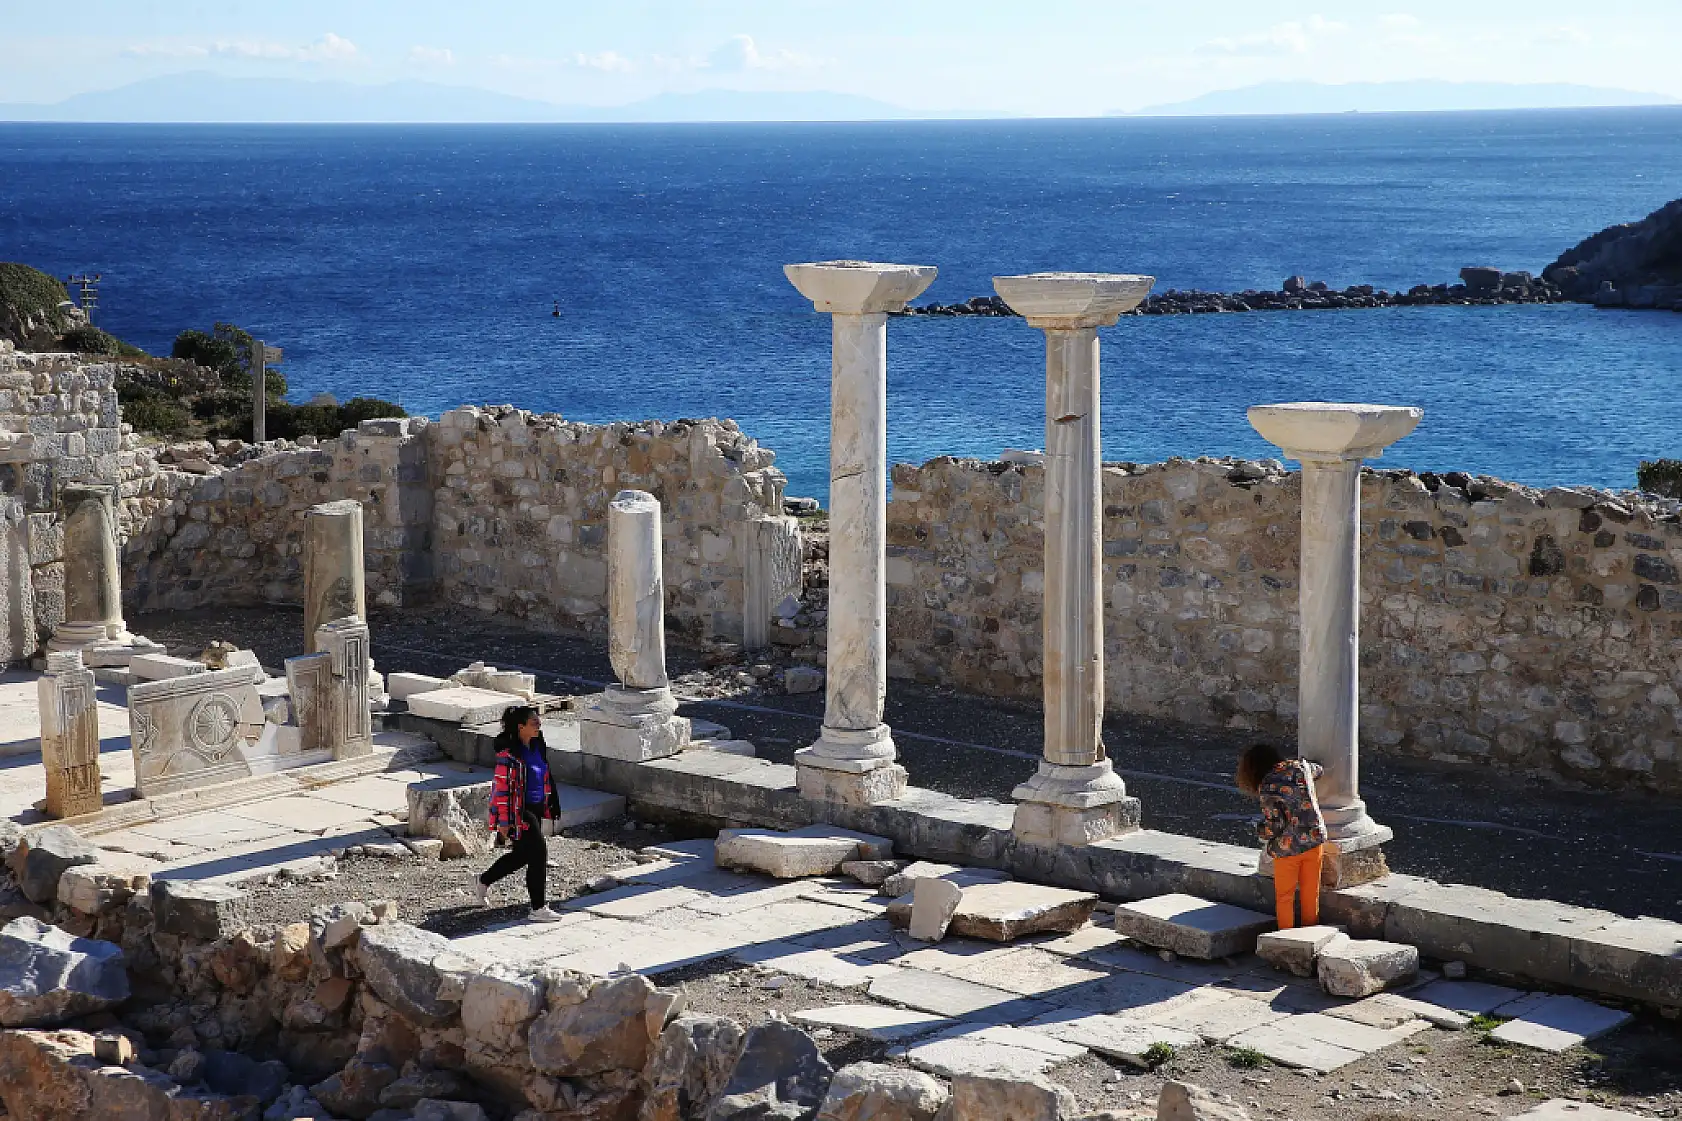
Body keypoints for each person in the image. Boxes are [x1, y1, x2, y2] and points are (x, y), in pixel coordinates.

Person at [475, 705, 564, 921]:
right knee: (539, 852)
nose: (539, 724)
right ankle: (538, 908)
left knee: (522, 855)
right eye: (534, 722)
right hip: (519, 810)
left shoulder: (538, 745)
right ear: (520, 727)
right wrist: (504, 821)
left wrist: (551, 803)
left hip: (536, 806)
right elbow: (501, 788)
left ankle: (483, 880)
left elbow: (545, 775)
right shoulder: (508, 754)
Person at [1236, 742, 1327, 930]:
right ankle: (1310, 934)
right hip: (1314, 840)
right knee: (1311, 894)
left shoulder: (1268, 786)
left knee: (1285, 897)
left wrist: (1260, 831)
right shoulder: (1300, 767)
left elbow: (1275, 825)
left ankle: (1286, 936)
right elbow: (1319, 770)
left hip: (1288, 848)